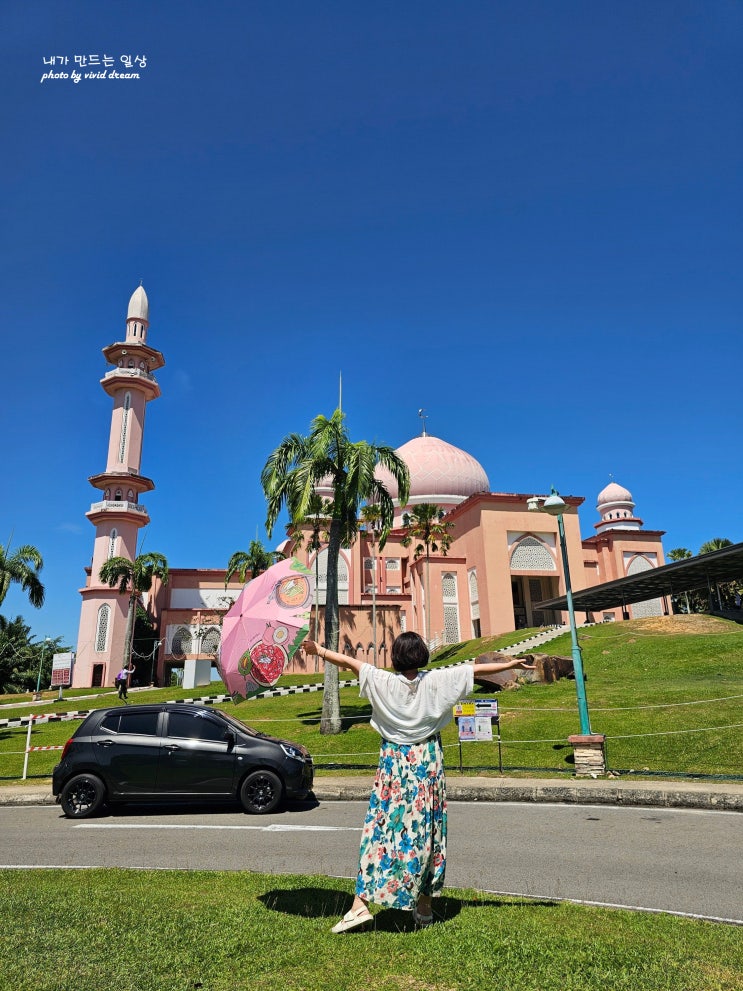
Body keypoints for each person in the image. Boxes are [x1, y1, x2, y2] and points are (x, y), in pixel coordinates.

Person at [302, 633, 535, 933]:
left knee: (382, 828)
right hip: (427, 759)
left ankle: (361, 904)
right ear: (422, 654)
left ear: (396, 657)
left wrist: (318, 650)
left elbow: (348, 662)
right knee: (429, 828)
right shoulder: (437, 680)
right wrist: (512, 664)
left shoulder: (382, 681)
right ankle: (423, 905)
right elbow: (476, 669)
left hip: (394, 761)